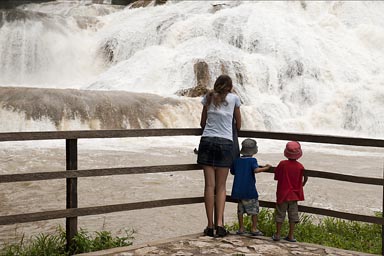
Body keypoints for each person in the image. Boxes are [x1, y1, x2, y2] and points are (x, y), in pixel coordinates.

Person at [197, 74, 241, 237]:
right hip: (225, 143)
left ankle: (209, 226)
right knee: (221, 187)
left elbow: (202, 123)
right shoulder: (234, 99)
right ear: (230, 87)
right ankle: (220, 225)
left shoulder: (207, 97)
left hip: (207, 141)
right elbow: (239, 124)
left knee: (209, 185)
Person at [230, 138, 271, 236]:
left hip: (238, 190)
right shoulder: (253, 160)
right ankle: (254, 228)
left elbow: (232, 171)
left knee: (240, 210)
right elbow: (256, 170)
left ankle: (241, 228)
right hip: (249, 190)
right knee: (254, 211)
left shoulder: (237, 160)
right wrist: (266, 168)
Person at [272, 141, 308, 242]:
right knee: (293, 215)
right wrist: (302, 184)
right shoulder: (300, 166)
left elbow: (277, 177)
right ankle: (291, 236)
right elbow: (305, 177)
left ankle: (278, 234)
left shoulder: (282, 164)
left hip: (282, 193)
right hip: (294, 195)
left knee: (280, 214)